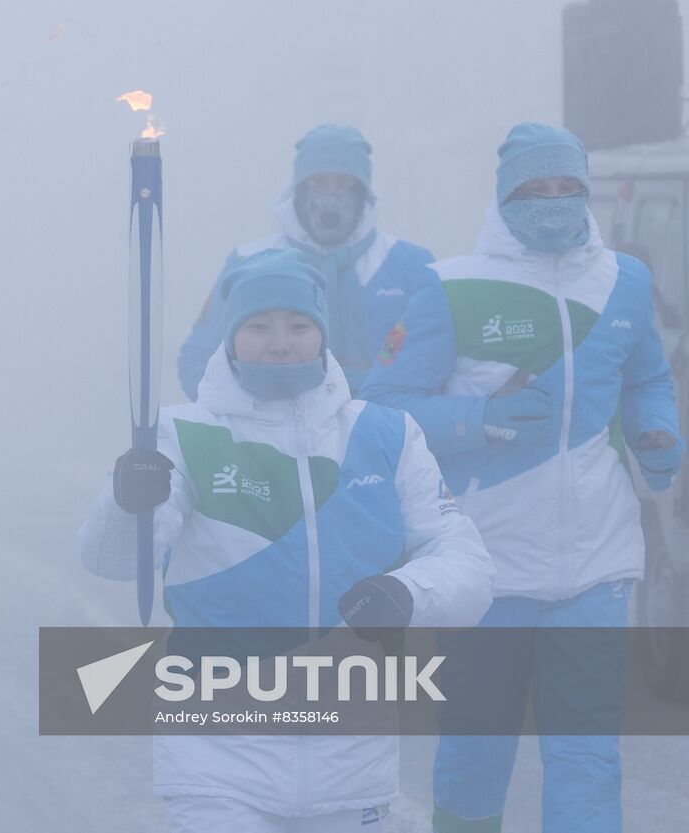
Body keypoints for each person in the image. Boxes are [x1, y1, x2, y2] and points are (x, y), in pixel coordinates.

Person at [79, 248, 494, 833]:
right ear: (229, 338)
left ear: (322, 335)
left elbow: (468, 567)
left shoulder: (386, 434)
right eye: (258, 326)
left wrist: (407, 592)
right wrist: (126, 501)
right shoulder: (180, 435)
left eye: (299, 326)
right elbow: (114, 560)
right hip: (216, 756)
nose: (280, 343)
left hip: (353, 758)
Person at [361, 123, 684, 833]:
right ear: (505, 197)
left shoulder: (624, 281)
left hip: (596, 567)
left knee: (589, 757)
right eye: (536, 189)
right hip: (487, 574)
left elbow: (647, 377)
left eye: (568, 188)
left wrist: (658, 437)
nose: (555, 202)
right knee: (477, 754)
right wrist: (480, 419)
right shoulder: (449, 287)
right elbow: (382, 410)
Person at [178, 124, 437, 399]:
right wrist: (253, 418)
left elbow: (434, 361)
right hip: (271, 431)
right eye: (318, 182)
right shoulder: (249, 263)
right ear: (298, 190)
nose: (330, 195)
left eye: (344, 182)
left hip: (379, 431)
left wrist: (387, 421)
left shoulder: (410, 265)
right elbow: (197, 360)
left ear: (364, 191)